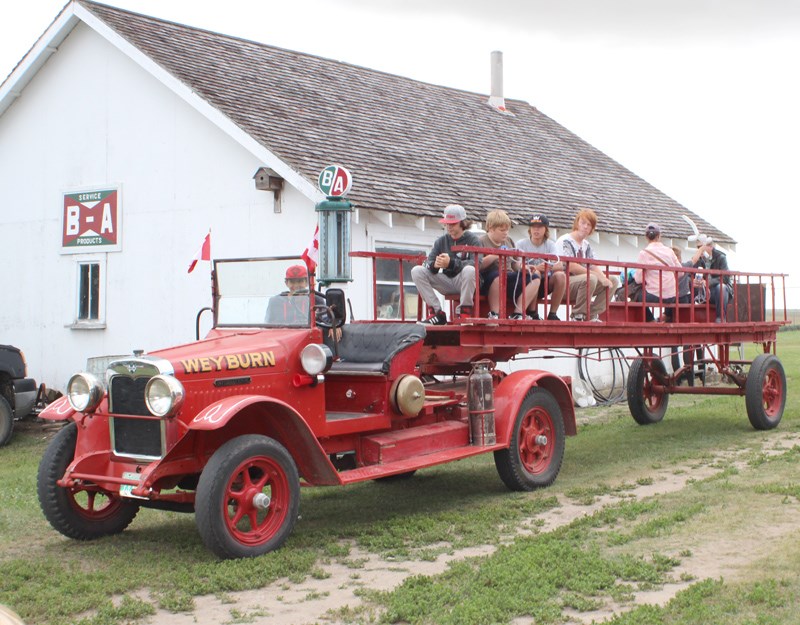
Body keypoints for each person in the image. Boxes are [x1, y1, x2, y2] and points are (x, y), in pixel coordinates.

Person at [412, 204, 480, 325]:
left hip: (466, 281)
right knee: (417, 271)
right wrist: (435, 265)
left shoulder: (473, 240)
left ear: (462, 223)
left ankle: (465, 311)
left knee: (469, 270)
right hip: (448, 281)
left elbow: (477, 263)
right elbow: (428, 262)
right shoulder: (441, 241)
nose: (449, 227)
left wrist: (451, 263)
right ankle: (437, 313)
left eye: (452, 223)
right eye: (447, 223)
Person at [556, 208, 619, 321]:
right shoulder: (565, 240)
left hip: (584, 283)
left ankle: (591, 314)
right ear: (577, 223)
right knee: (591, 278)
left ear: (592, 229)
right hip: (563, 284)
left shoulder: (586, 245)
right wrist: (598, 276)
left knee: (613, 280)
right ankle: (577, 315)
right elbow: (572, 266)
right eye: (583, 223)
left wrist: (604, 278)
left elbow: (593, 265)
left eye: (589, 225)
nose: (585, 227)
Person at [477, 209, 539, 320]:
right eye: (502, 230)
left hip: (509, 277)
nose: (505, 233)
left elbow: (514, 264)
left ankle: (518, 313)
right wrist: (495, 256)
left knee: (535, 278)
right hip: (489, 278)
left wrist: (524, 267)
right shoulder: (481, 241)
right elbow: (478, 265)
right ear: (491, 228)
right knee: (497, 275)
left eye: (507, 230)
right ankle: (494, 313)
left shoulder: (509, 241)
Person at [515, 213, 566, 320]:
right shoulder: (521, 244)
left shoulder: (551, 245)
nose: (536, 230)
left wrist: (547, 266)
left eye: (539, 227)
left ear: (545, 229)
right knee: (536, 273)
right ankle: (533, 312)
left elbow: (560, 264)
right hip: (526, 282)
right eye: (533, 227)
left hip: (546, 283)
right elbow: (517, 265)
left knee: (561, 275)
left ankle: (552, 314)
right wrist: (536, 268)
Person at [633, 223, 681, 322]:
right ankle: (667, 317)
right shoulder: (670, 251)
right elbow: (680, 273)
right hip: (671, 296)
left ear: (646, 237)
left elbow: (638, 280)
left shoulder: (644, 253)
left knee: (637, 296)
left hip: (654, 296)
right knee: (671, 292)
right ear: (659, 236)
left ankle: (650, 320)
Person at [692, 238, 732, 323]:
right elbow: (689, 276)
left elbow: (725, 277)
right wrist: (694, 282)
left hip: (716, 291)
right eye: (698, 247)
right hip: (703, 292)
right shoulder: (698, 259)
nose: (700, 250)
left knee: (721, 287)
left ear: (710, 247)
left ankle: (720, 318)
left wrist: (708, 283)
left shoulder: (721, 257)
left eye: (701, 247)